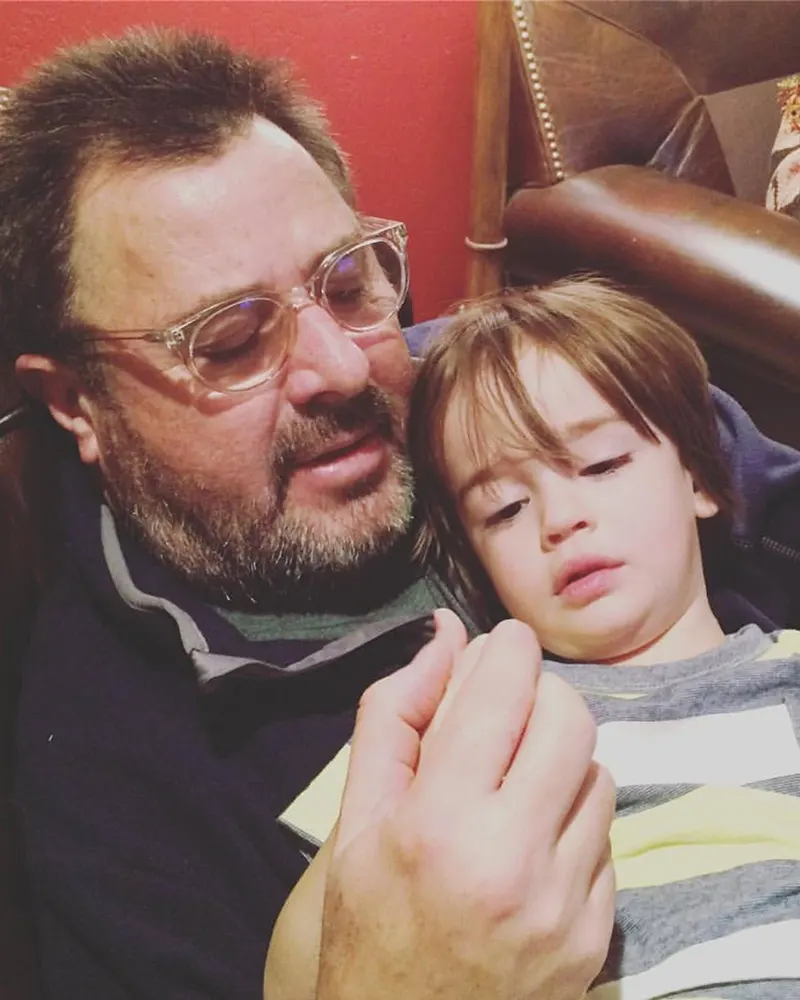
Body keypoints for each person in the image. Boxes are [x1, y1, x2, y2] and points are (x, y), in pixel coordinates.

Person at [0, 26, 797, 1000]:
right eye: (230, 341)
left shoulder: (520, 395)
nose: (344, 369)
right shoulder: (115, 774)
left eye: (347, 284)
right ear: (78, 402)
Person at [406, 280, 800, 997]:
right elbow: (335, 937)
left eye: (602, 465)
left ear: (699, 480)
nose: (560, 518)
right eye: (505, 509)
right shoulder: (474, 714)